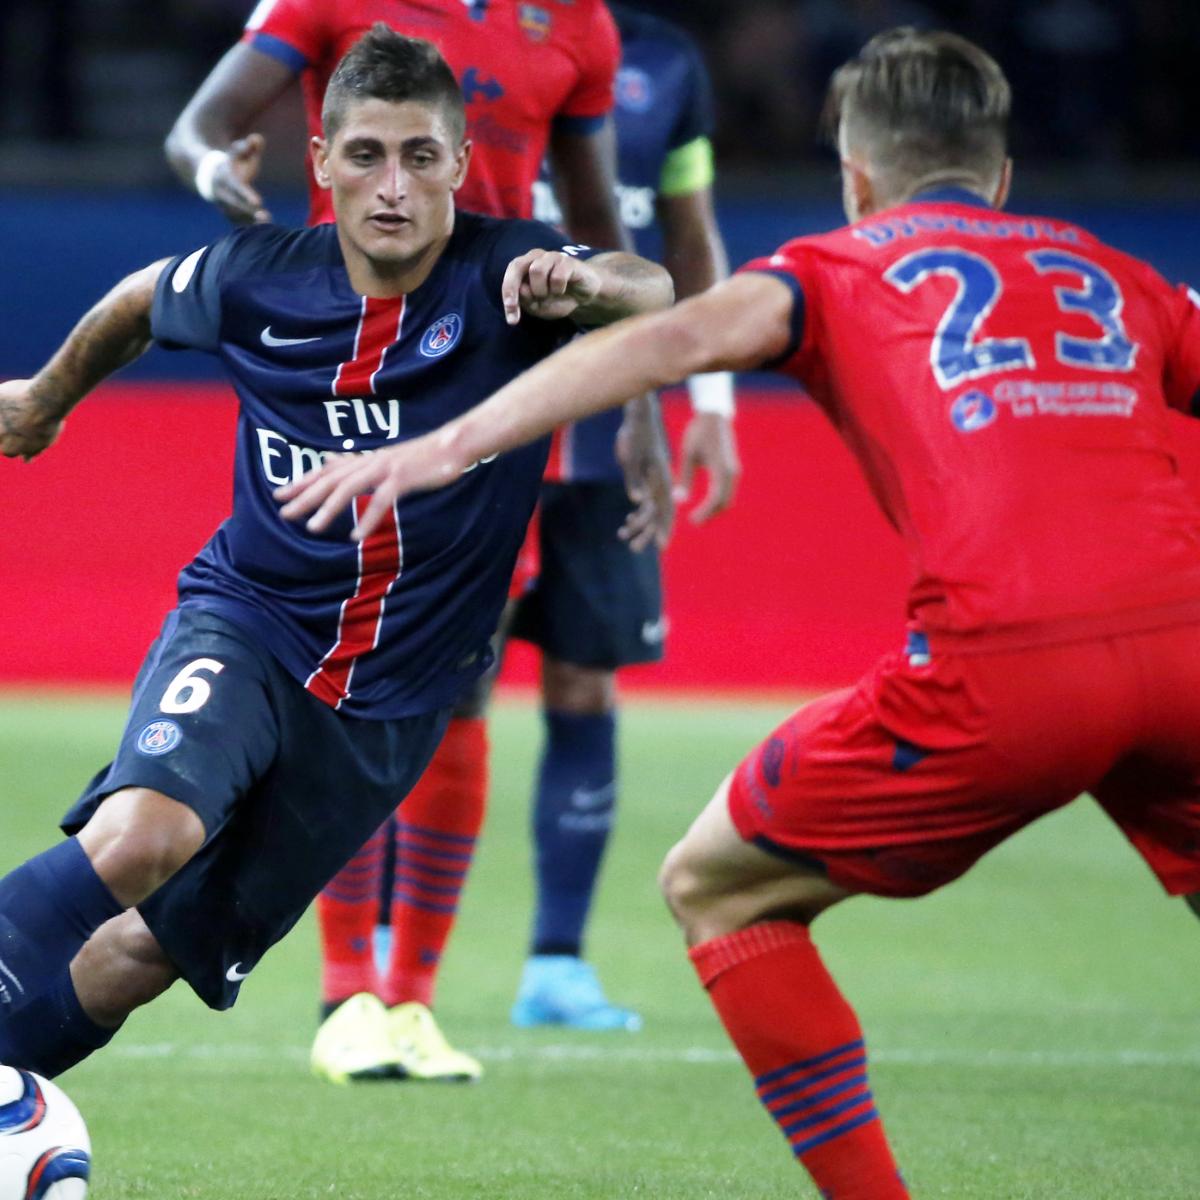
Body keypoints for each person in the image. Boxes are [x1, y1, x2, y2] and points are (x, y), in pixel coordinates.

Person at [276, 27, 1200, 1196]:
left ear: (856, 179)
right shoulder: (1118, 273)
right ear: (1003, 178)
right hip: (1185, 652)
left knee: (717, 885)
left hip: (1008, 663)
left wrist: (446, 442)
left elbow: (667, 338)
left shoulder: (836, 266)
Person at [0, 26, 671, 1084]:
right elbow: (137, 302)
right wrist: (46, 399)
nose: (391, 184)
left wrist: (580, 284)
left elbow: (654, 289)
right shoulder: (260, 277)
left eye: (418, 155)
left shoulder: (510, 278)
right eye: (364, 154)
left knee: (143, 955)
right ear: (322, 163)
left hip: (391, 707)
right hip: (251, 624)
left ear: (458, 161)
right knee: (140, 839)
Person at [509, 2, 740, 1032]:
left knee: (584, 676)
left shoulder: (665, 60)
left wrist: (715, 401)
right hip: (484, 414)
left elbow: (686, 235)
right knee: (444, 689)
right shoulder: (469, 33)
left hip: (612, 422)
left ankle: (554, 964)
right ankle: (383, 972)